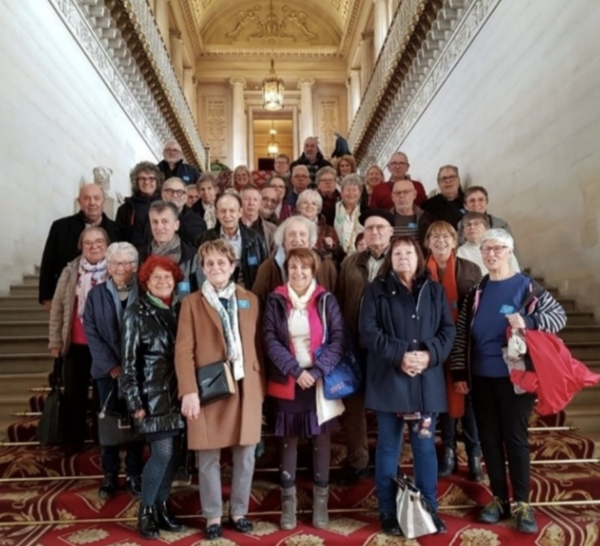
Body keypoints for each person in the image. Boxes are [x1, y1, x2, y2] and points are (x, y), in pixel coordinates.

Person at [451, 228, 567, 534]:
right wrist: (460, 373)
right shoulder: (477, 290)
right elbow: (462, 334)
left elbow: (559, 317)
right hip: (481, 377)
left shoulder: (526, 286)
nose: (491, 254)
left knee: (514, 438)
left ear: (509, 252)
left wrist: (528, 321)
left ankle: (523, 503)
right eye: (487, 249)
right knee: (488, 438)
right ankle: (499, 498)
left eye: (498, 249)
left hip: (516, 378)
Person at [360, 236, 455, 536]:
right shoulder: (375, 291)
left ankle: (429, 509)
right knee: (388, 448)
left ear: (419, 257)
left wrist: (429, 356)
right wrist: (400, 355)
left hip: (426, 382)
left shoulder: (435, 290)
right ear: (390, 258)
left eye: (408, 252)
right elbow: (368, 332)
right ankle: (388, 511)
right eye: (397, 253)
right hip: (390, 380)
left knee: (425, 447)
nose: (403, 257)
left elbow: (447, 331)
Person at [175, 239, 265, 541]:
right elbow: (183, 351)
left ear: (232, 265)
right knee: (208, 455)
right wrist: (188, 391)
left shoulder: (250, 299)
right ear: (202, 268)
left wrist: (260, 390)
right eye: (209, 263)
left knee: (246, 453)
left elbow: (258, 347)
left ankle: (239, 511)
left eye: (221, 262)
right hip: (208, 388)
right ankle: (213, 515)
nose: (216, 268)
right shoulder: (190, 303)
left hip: (245, 385)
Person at [263, 248, 346, 530]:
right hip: (288, 380)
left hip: (320, 382)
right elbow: (270, 339)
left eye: (304, 268)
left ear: (314, 271)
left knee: (321, 441)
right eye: (293, 267)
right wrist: (296, 371)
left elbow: (338, 338)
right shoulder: (276, 299)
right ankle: (289, 506)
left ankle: (320, 505)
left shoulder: (326, 299)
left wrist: (318, 370)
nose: (298, 272)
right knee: (288, 441)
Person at [120, 255, 186, 539]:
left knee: (173, 459)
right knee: (162, 454)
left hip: (179, 395)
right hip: (152, 395)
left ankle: (161, 507)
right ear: (146, 281)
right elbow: (129, 362)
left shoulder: (181, 309)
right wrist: (134, 402)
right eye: (156, 277)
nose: (162, 281)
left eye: (167, 277)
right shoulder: (137, 311)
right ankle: (145, 511)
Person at [335, 209, 394, 485]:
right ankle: (358, 461)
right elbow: (339, 300)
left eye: (381, 228)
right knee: (354, 406)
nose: (375, 233)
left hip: (388, 347)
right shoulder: (350, 263)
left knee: (387, 404)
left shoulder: (401, 260)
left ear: (391, 232)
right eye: (370, 228)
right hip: (354, 345)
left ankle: (387, 462)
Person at [423, 221, 483, 482]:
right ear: (427, 243)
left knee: (466, 398)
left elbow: (481, 306)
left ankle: (473, 454)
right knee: (442, 397)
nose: (440, 241)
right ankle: (447, 450)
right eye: (434, 237)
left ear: (454, 241)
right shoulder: (420, 271)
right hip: (433, 342)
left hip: (465, 342)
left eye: (446, 236)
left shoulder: (471, 268)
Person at [83, 241, 144, 499]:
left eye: (128, 263)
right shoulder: (96, 294)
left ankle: (133, 473)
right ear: (108, 266)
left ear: (136, 266)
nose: (122, 268)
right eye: (117, 263)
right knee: (108, 422)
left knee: (136, 421)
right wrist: (112, 365)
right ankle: (109, 474)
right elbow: (91, 331)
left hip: (138, 369)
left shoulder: (144, 291)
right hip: (106, 371)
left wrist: (133, 365)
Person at [48, 226, 110, 448]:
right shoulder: (70, 271)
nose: (94, 246)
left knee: (104, 396)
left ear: (107, 244)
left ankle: (104, 439)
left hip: (105, 345)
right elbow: (58, 307)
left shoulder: (115, 268)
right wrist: (55, 341)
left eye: (99, 241)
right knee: (75, 394)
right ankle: (74, 440)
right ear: (81, 246)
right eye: (88, 242)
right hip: (76, 342)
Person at [40, 184, 119, 308]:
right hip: (69, 298)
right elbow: (48, 263)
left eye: (97, 198)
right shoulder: (60, 227)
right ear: (79, 201)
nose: (92, 203)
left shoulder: (119, 230)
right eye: (86, 198)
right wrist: (47, 297)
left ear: (103, 201)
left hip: (108, 299)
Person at [252, 216, 338, 307]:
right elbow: (256, 305)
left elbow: (334, 305)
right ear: (284, 240)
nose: (297, 239)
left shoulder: (326, 266)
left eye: (302, 234)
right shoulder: (268, 268)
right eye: (292, 234)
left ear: (309, 240)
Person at [196, 193, 268, 290]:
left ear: (240, 212)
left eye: (232, 211)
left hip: (247, 295)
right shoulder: (204, 239)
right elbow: (200, 273)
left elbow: (264, 274)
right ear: (216, 213)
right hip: (213, 294)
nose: (227, 215)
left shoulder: (256, 239)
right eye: (223, 211)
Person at [138, 201, 198, 286]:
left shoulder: (193, 257)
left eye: (165, 221)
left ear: (176, 225)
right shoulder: (140, 256)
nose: (159, 227)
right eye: (155, 222)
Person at [115, 161, 163, 248]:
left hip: (160, 255)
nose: (147, 182)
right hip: (132, 257)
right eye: (142, 179)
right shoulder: (125, 209)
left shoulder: (166, 206)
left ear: (157, 181)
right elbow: (118, 239)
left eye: (151, 178)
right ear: (136, 182)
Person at [296, 189, 345, 265]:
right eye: (305, 202)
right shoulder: (290, 227)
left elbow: (340, 255)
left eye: (314, 203)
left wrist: (332, 246)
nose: (309, 206)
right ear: (299, 207)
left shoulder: (329, 230)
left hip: (321, 269)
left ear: (318, 209)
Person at [161, 177, 207, 246]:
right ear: (162, 194)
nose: (175, 195)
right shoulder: (150, 218)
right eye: (170, 191)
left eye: (180, 192)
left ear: (185, 196)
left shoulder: (198, 223)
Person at [390, 178, 433, 250]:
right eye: (397, 193)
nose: (401, 196)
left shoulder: (427, 219)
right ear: (392, 197)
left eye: (406, 192)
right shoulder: (384, 220)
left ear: (414, 195)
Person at [333, 174, 364, 256]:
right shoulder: (334, 209)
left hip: (361, 255)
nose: (351, 193)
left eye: (354, 190)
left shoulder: (366, 211)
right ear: (342, 192)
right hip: (338, 255)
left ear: (360, 193)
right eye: (347, 190)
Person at [240, 185, 276, 252]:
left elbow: (274, 256)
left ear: (260, 204)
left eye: (255, 199)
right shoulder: (232, 227)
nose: (251, 203)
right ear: (240, 203)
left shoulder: (272, 229)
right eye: (247, 199)